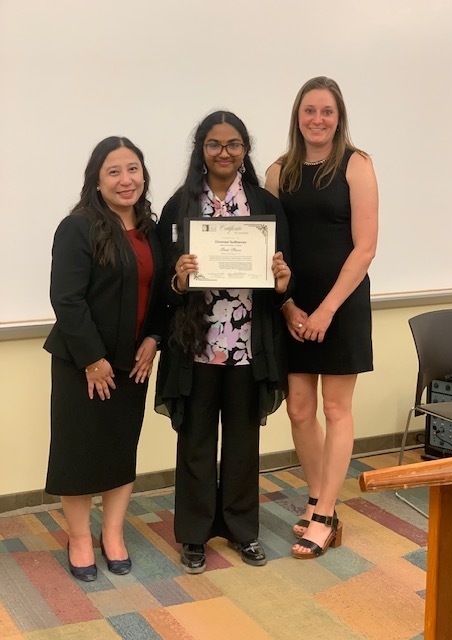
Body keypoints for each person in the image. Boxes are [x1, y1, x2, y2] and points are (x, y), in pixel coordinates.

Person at [155, 111, 293, 574]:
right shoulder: (179, 206)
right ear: (202, 149)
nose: (224, 153)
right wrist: (177, 281)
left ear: (245, 150)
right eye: (214, 144)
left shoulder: (265, 205)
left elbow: (283, 279)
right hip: (195, 346)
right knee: (195, 442)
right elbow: (162, 286)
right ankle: (194, 535)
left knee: (241, 441)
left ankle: (241, 529)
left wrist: (281, 282)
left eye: (233, 144)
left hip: (246, 347)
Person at [265, 77, 378, 559]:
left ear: (339, 117)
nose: (317, 119)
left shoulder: (357, 165)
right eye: (309, 110)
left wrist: (327, 310)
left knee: (336, 409)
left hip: (342, 303)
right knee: (298, 409)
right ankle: (316, 500)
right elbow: (268, 250)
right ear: (297, 116)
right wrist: (289, 306)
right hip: (293, 304)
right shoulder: (277, 172)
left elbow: (366, 246)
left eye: (326, 111)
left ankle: (327, 514)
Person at [44, 136, 164, 581]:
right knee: (79, 453)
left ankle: (112, 534)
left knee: (119, 449)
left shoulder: (151, 229)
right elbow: (67, 298)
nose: (125, 179)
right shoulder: (77, 227)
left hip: (133, 363)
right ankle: (79, 538)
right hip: (83, 364)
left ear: (143, 174)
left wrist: (154, 338)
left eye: (133, 169)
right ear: (97, 181)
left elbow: (162, 294)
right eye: (114, 171)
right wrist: (93, 359)